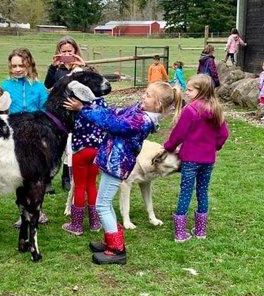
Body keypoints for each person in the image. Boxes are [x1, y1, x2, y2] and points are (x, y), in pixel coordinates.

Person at [64, 81, 182, 264]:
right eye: (145, 92)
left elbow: (112, 123)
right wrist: (91, 104)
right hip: (111, 162)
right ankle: (111, 239)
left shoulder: (141, 121)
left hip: (117, 165)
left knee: (102, 205)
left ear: (158, 105)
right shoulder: (140, 112)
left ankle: (117, 249)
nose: (143, 96)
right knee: (105, 203)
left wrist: (83, 109)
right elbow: (115, 112)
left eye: (149, 95)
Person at [163, 74, 229, 242]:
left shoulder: (190, 110)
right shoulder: (217, 110)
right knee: (202, 191)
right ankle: (200, 231)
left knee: (186, 191)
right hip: (208, 160)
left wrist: (169, 147)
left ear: (200, 91)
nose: (187, 92)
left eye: (190, 90)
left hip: (190, 159)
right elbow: (223, 134)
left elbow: (179, 133)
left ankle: (180, 232)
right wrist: (215, 147)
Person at [0, 48, 50, 227]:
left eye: (22, 65)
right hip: (14, 138)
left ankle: (38, 210)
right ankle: (22, 213)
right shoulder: (4, 86)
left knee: (37, 178)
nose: (18, 69)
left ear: (29, 65)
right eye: (14, 66)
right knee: (20, 177)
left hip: (36, 138)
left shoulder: (38, 87)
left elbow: (46, 110)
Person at [62, 86, 107, 236]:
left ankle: (77, 225)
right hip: (97, 151)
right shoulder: (102, 104)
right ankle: (95, 222)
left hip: (80, 151)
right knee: (92, 185)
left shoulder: (75, 106)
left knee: (80, 186)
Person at [44, 36, 86, 191]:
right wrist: (53, 67)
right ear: (59, 52)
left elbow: (87, 87)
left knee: (71, 144)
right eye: (64, 51)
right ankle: (48, 178)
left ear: (75, 51)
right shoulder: (57, 69)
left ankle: (67, 178)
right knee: (54, 146)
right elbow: (47, 84)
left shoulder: (80, 69)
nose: (67, 54)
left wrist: (82, 66)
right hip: (57, 112)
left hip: (75, 111)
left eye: (70, 50)